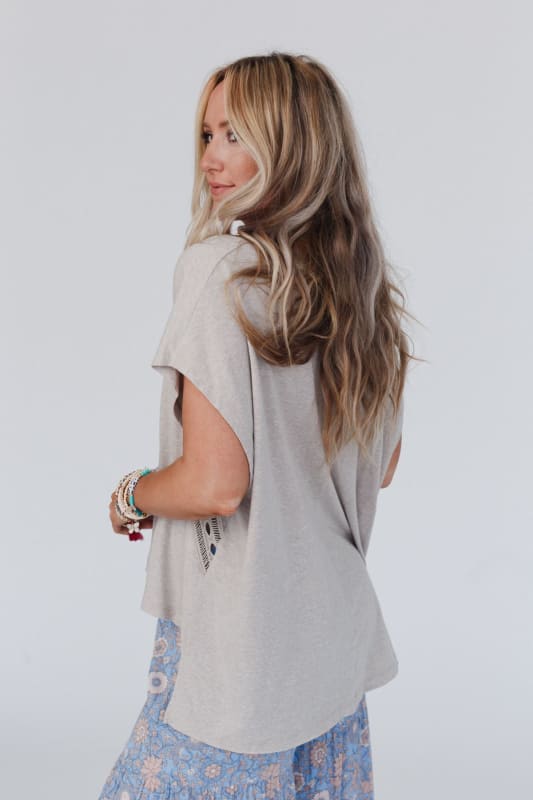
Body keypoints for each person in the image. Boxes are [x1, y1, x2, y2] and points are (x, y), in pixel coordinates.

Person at [99, 51, 416, 800]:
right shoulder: (361, 292)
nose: (211, 158)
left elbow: (215, 484)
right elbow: (381, 466)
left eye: (236, 134)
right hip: (330, 645)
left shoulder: (220, 271)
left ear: (294, 145)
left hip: (240, 649)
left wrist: (132, 493)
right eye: (207, 134)